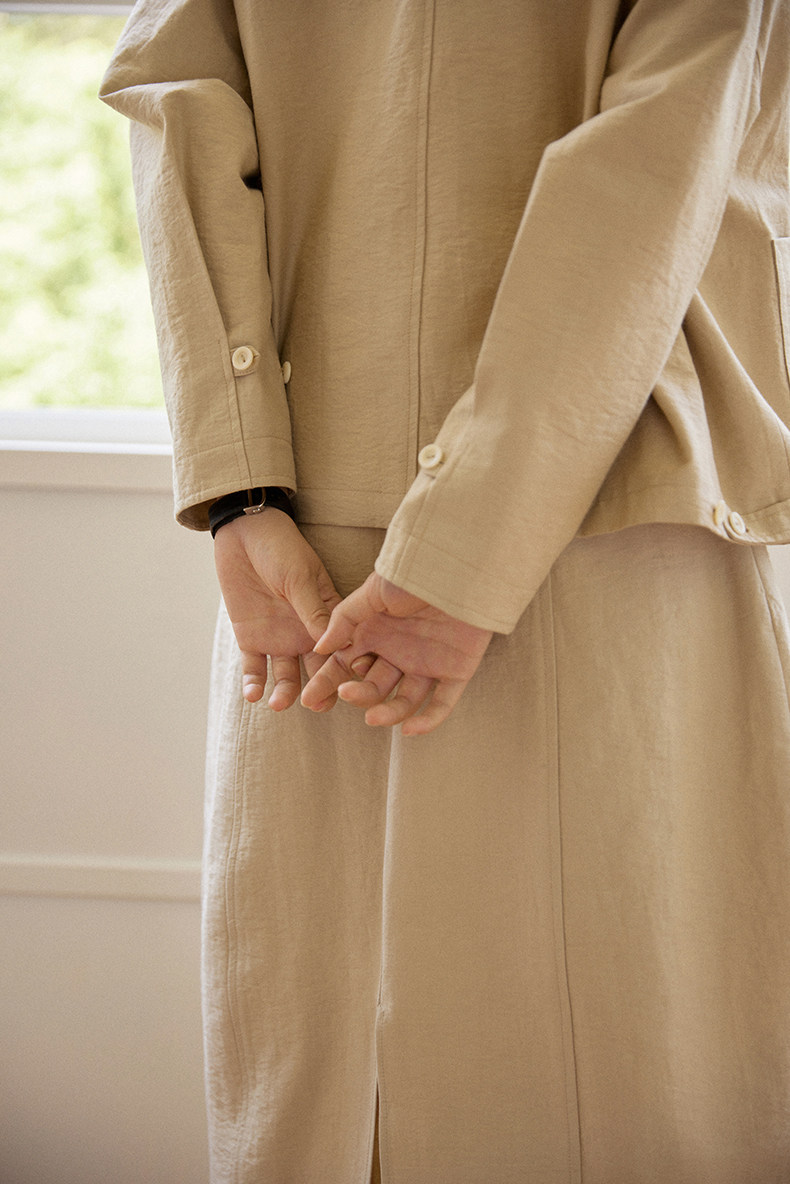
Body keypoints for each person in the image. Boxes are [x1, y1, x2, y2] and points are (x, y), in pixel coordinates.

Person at [101, 1, 790, 1179]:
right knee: (630, 1076)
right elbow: (650, 169)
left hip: (310, 528)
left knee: (325, 1095)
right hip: (608, 499)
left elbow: (178, 102)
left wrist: (239, 480)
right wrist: (463, 535)